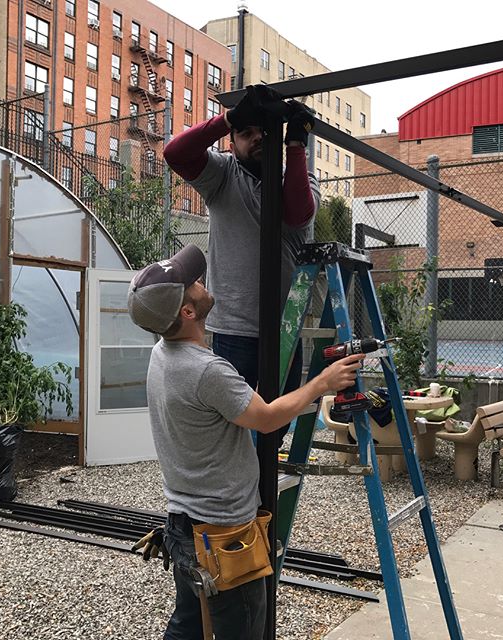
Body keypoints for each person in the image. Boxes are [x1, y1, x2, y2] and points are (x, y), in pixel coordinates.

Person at [126, 244, 363, 640]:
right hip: (224, 535)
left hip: (183, 527)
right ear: (187, 312)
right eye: (194, 283)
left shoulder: (160, 355)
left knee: (187, 625)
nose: (202, 282)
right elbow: (267, 419)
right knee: (243, 628)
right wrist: (323, 382)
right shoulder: (206, 371)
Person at [163, 87, 319, 439]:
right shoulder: (223, 174)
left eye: (262, 132)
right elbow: (174, 152)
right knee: (233, 430)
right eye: (245, 134)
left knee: (276, 425)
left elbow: (297, 215)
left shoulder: (301, 179)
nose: (256, 138)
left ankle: (263, 492)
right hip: (235, 328)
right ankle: (242, 493)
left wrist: (295, 147)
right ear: (232, 143)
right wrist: (228, 119)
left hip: (284, 330)